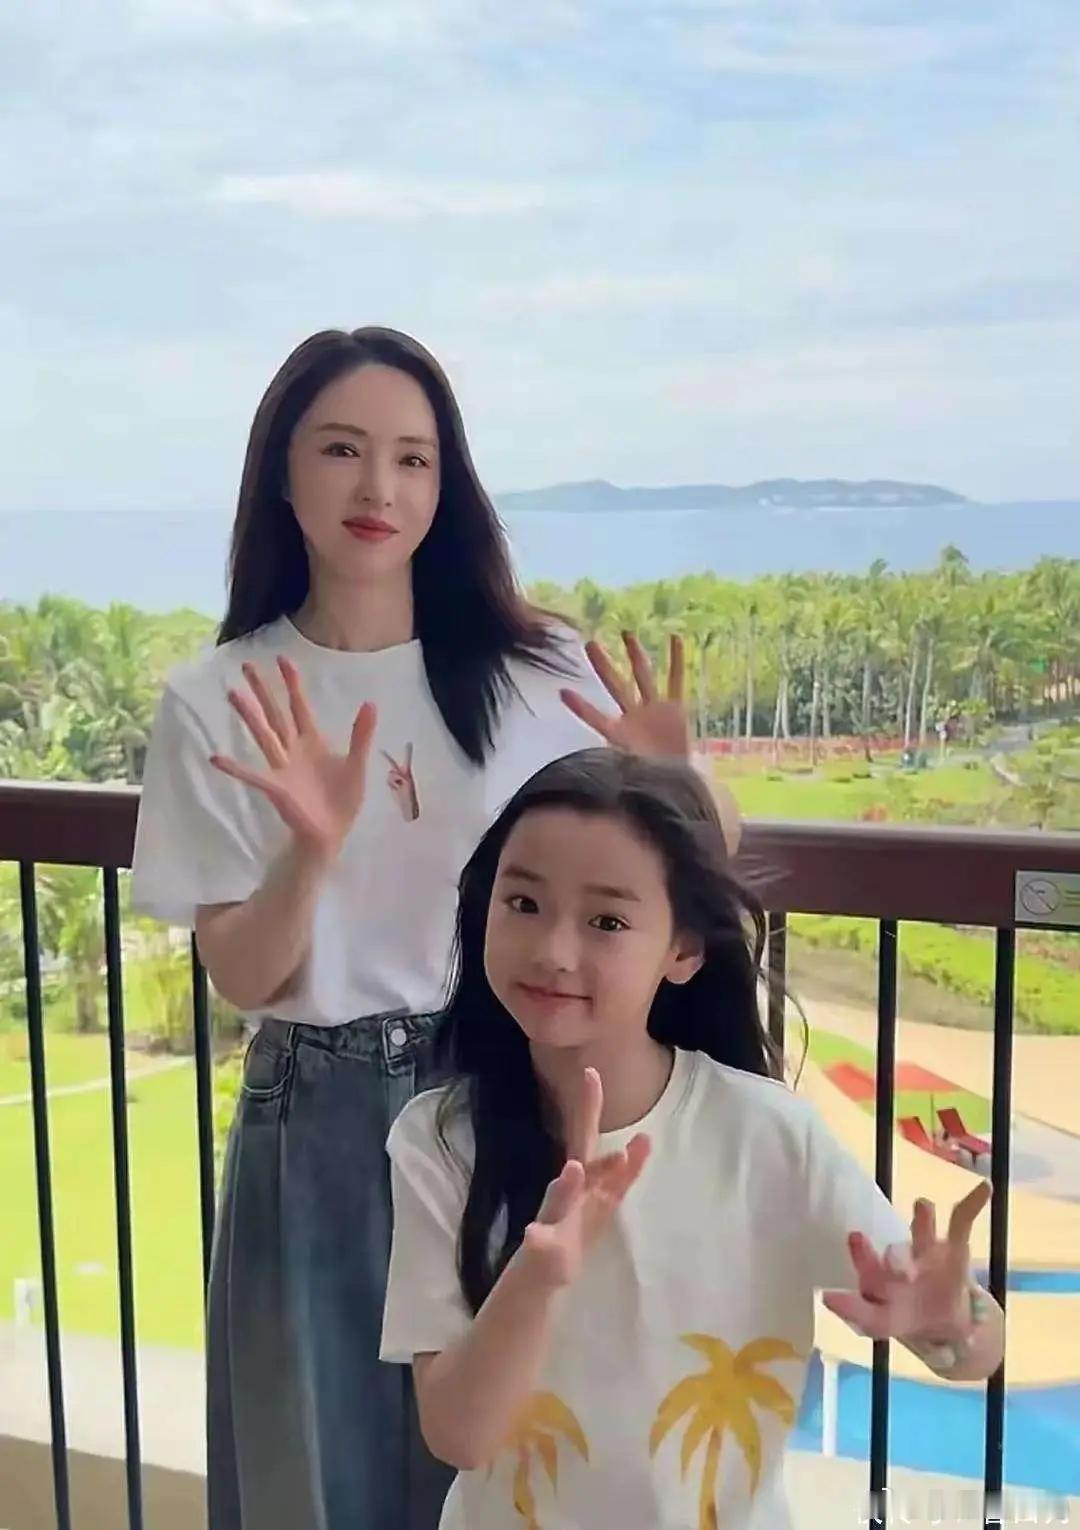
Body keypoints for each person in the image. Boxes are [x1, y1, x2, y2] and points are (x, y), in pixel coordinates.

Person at [131, 326, 730, 1530]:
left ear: (446, 484)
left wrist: (683, 776)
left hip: (501, 1090)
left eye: (413, 458)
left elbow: (689, 879)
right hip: (316, 1110)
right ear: (281, 471)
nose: (379, 487)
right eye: (341, 450)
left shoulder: (532, 671)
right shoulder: (219, 697)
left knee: (518, 1463)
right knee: (317, 1472)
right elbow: (242, 974)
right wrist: (312, 850)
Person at [381, 748, 1005, 1530]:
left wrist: (947, 1321)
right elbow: (458, 1436)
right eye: (523, 903)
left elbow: (980, 1350)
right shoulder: (437, 1142)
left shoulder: (768, 1139)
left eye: (607, 921)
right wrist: (537, 1276)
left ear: (682, 950)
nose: (553, 950)